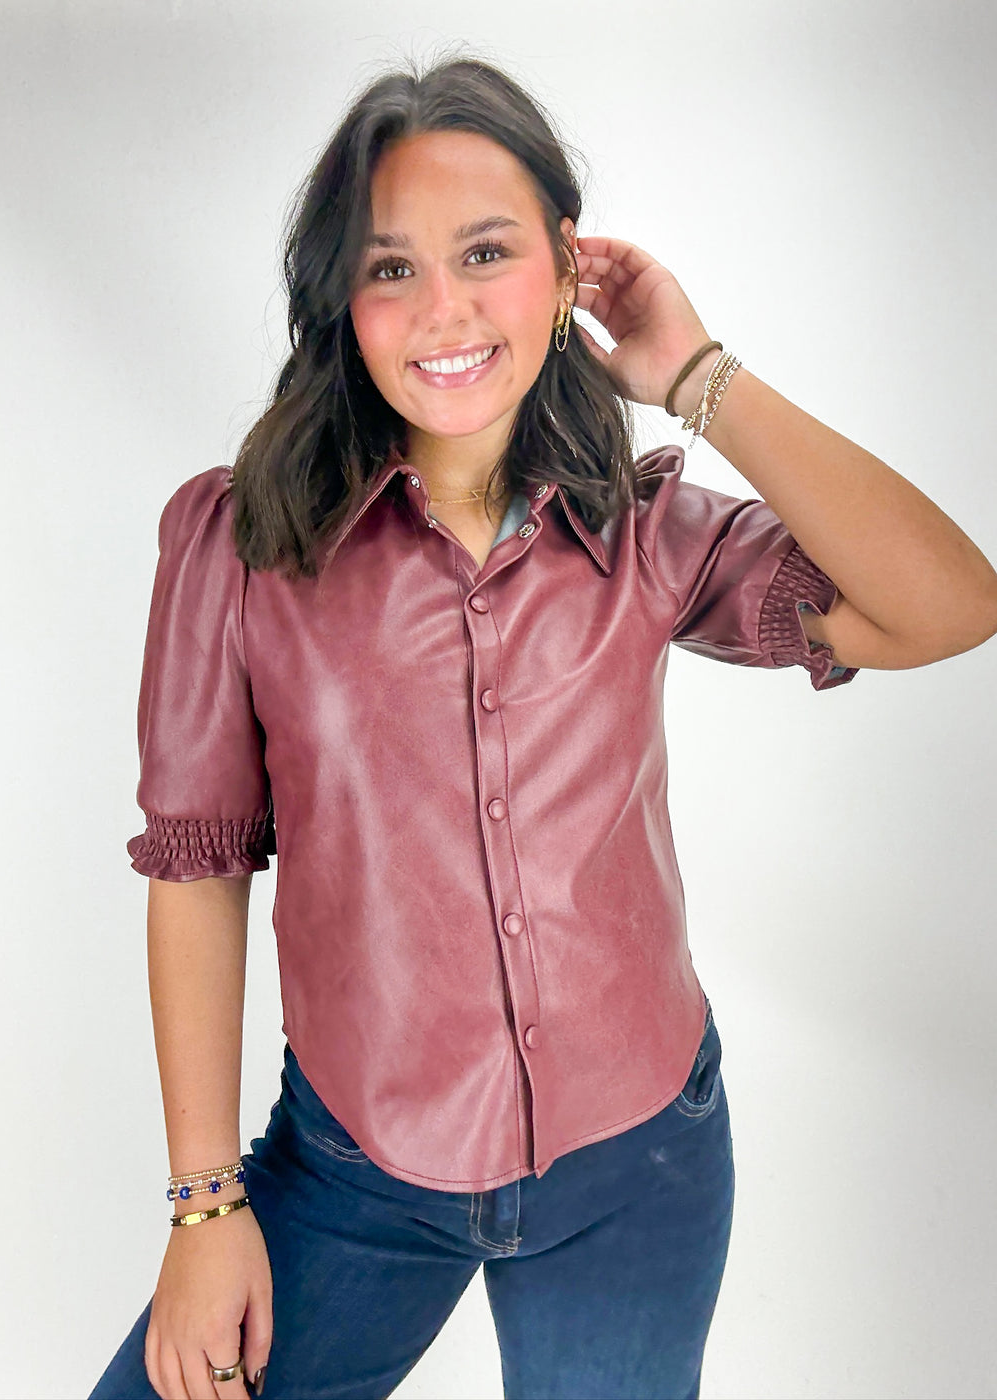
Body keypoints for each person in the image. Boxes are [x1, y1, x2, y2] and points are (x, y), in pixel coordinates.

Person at [87, 51, 997, 1400]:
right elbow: (199, 872)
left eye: (488, 252)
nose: (441, 309)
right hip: (351, 1176)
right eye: (390, 266)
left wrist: (697, 372)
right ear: (339, 292)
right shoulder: (239, 544)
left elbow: (949, 605)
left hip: (641, 1169)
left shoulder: (642, 535)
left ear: (568, 268)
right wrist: (206, 1207)